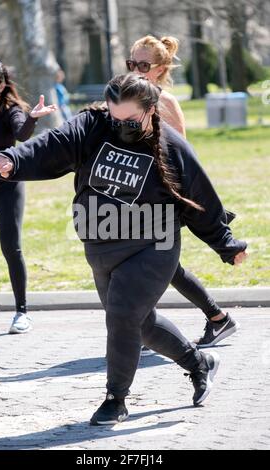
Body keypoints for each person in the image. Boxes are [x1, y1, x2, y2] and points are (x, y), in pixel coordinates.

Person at [0, 73, 247, 425]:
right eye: (115, 117)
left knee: (122, 315)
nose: (121, 125)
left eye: (130, 120)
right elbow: (54, 143)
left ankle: (116, 399)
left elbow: (200, 197)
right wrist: (14, 159)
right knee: (140, 324)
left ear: (150, 110)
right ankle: (200, 363)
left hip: (153, 244)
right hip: (101, 243)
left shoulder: (170, 146)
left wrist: (226, 244)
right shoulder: (93, 125)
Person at [127, 35, 241, 351]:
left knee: (153, 263)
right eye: (131, 63)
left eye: (143, 65)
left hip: (163, 197)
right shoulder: (128, 98)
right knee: (157, 264)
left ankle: (208, 320)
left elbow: (182, 156)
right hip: (137, 195)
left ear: (160, 69)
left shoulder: (166, 102)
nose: (135, 70)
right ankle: (214, 319)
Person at [0, 54, 57, 334]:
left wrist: (32, 118)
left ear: (1, 83)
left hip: (7, 187)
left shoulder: (11, 108)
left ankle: (22, 312)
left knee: (11, 247)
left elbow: (22, 134)